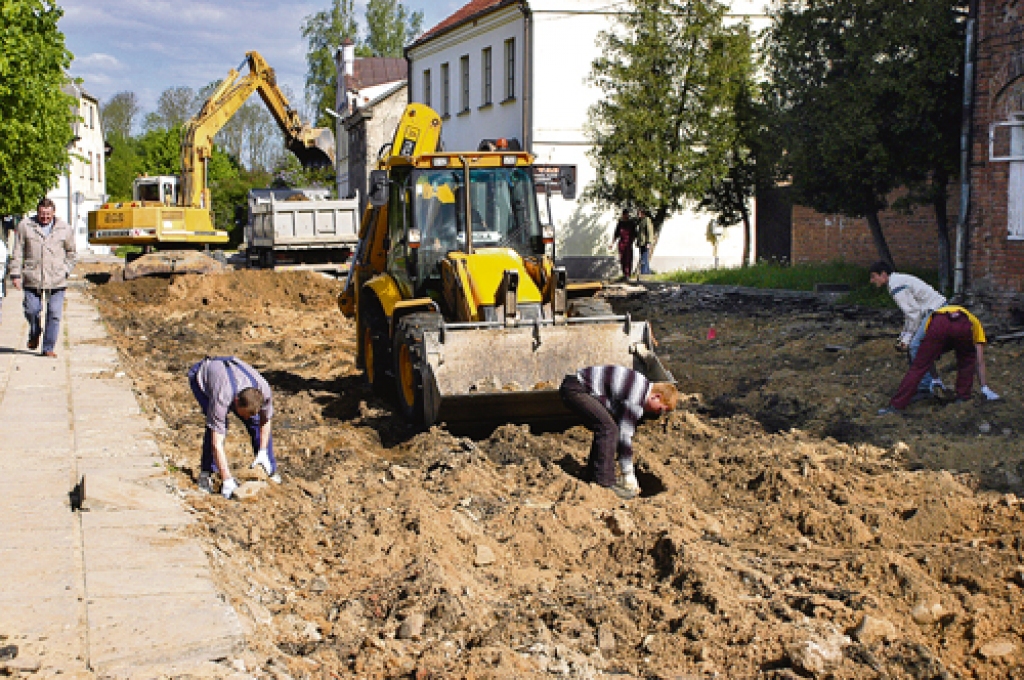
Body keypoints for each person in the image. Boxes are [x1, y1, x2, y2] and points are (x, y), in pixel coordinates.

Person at [559, 365, 679, 499]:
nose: (658, 413)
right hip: (577, 389)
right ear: (656, 396)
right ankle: (603, 483)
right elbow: (624, 437)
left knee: (608, 427)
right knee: (608, 429)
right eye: (661, 409)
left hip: (578, 385)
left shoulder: (641, 382)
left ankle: (593, 474)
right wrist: (628, 474)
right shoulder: (637, 397)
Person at [187, 356, 281, 498]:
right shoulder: (221, 397)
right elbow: (216, 443)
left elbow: (265, 420)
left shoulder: (264, 390)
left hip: (233, 375)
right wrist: (227, 479)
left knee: (255, 422)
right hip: (202, 377)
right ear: (236, 402)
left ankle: (268, 469)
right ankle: (207, 474)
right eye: (243, 415)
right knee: (216, 426)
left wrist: (262, 450)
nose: (245, 419)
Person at [879, 305, 985, 414]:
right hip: (964, 326)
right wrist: (984, 386)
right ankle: (963, 397)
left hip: (939, 323)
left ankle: (896, 405)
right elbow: (979, 360)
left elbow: (928, 357)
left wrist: (934, 375)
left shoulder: (931, 319)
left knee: (919, 365)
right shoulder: (975, 324)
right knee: (967, 362)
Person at [8, 198, 76, 357]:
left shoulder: (64, 229)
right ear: (37, 212)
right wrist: (15, 274)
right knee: (32, 310)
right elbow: (17, 252)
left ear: (53, 213)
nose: (44, 217)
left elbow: (72, 253)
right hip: (33, 276)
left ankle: (48, 348)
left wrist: (65, 270)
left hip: (56, 278)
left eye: (48, 214)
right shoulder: (26, 226)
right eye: (42, 214)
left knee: (54, 313)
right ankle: (34, 332)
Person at [869, 262, 946, 396]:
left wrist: (907, 338)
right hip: (934, 308)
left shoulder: (895, 286)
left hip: (935, 310)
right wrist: (904, 336)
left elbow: (914, 314)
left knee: (915, 346)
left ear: (883, 274)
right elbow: (910, 314)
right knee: (918, 345)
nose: (872, 281)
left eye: (874, 276)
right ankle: (933, 380)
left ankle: (924, 387)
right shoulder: (896, 281)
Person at [611, 210, 636, 281]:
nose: (625, 216)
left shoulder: (631, 223)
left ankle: (628, 274)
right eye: (624, 215)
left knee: (628, 258)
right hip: (621, 243)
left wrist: (632, 241)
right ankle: (624, 274)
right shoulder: (620, 223)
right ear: (623, 215)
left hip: (628, 243)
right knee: (622, 259)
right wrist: (612, 243)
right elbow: (616, 234)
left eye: (626, 215)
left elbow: (634, 234)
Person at [636, 209, 655, 277]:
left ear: (642, 213)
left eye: (639, 213)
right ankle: (646, 272)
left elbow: (649, 232)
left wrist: (649, 242)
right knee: (643, 257)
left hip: (645, 242)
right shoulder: (640, 221)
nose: (638, 215)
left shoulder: (647, 220)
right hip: (641, 243)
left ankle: (644, 272)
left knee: (644, 258)